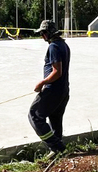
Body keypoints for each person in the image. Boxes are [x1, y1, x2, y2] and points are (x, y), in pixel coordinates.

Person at [28, 19, 71, 155]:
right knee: (55, 120)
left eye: (42, 33)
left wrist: (42, 83)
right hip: (63, 90)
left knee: (34, 115)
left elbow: (57, 71)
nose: (42, 36)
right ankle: (57, 151)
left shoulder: (53, 47)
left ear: (47, 33)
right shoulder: (64, 45)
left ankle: (57, 147)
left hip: (53, 90)